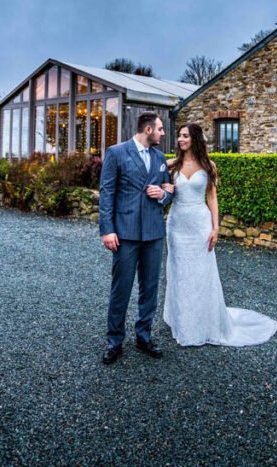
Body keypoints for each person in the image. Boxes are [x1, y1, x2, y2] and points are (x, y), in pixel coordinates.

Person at [160, 123, 277, 347]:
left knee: (201, 272)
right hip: (176, 225)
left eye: (185, 136)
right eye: (179, 136)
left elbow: (212, 198)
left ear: (195, 138)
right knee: (178, 271)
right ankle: (181, 320)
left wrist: (216, 228)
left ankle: (204, 321)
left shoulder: (208, 166)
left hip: (199, 224)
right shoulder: (170, 165)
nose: (180, 140)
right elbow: (159, 189)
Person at [98, 111, 172, 364]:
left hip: (153, 233)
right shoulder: (116, 152)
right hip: (125, 233)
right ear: (148, 130)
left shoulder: (160, 157)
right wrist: (107, 230)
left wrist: (161, 195)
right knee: (121, 288)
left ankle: (143, 336)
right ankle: (114, 341)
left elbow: (168, 191)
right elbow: (106, 192)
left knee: (150, 288)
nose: (163, 133)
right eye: (161, 129)